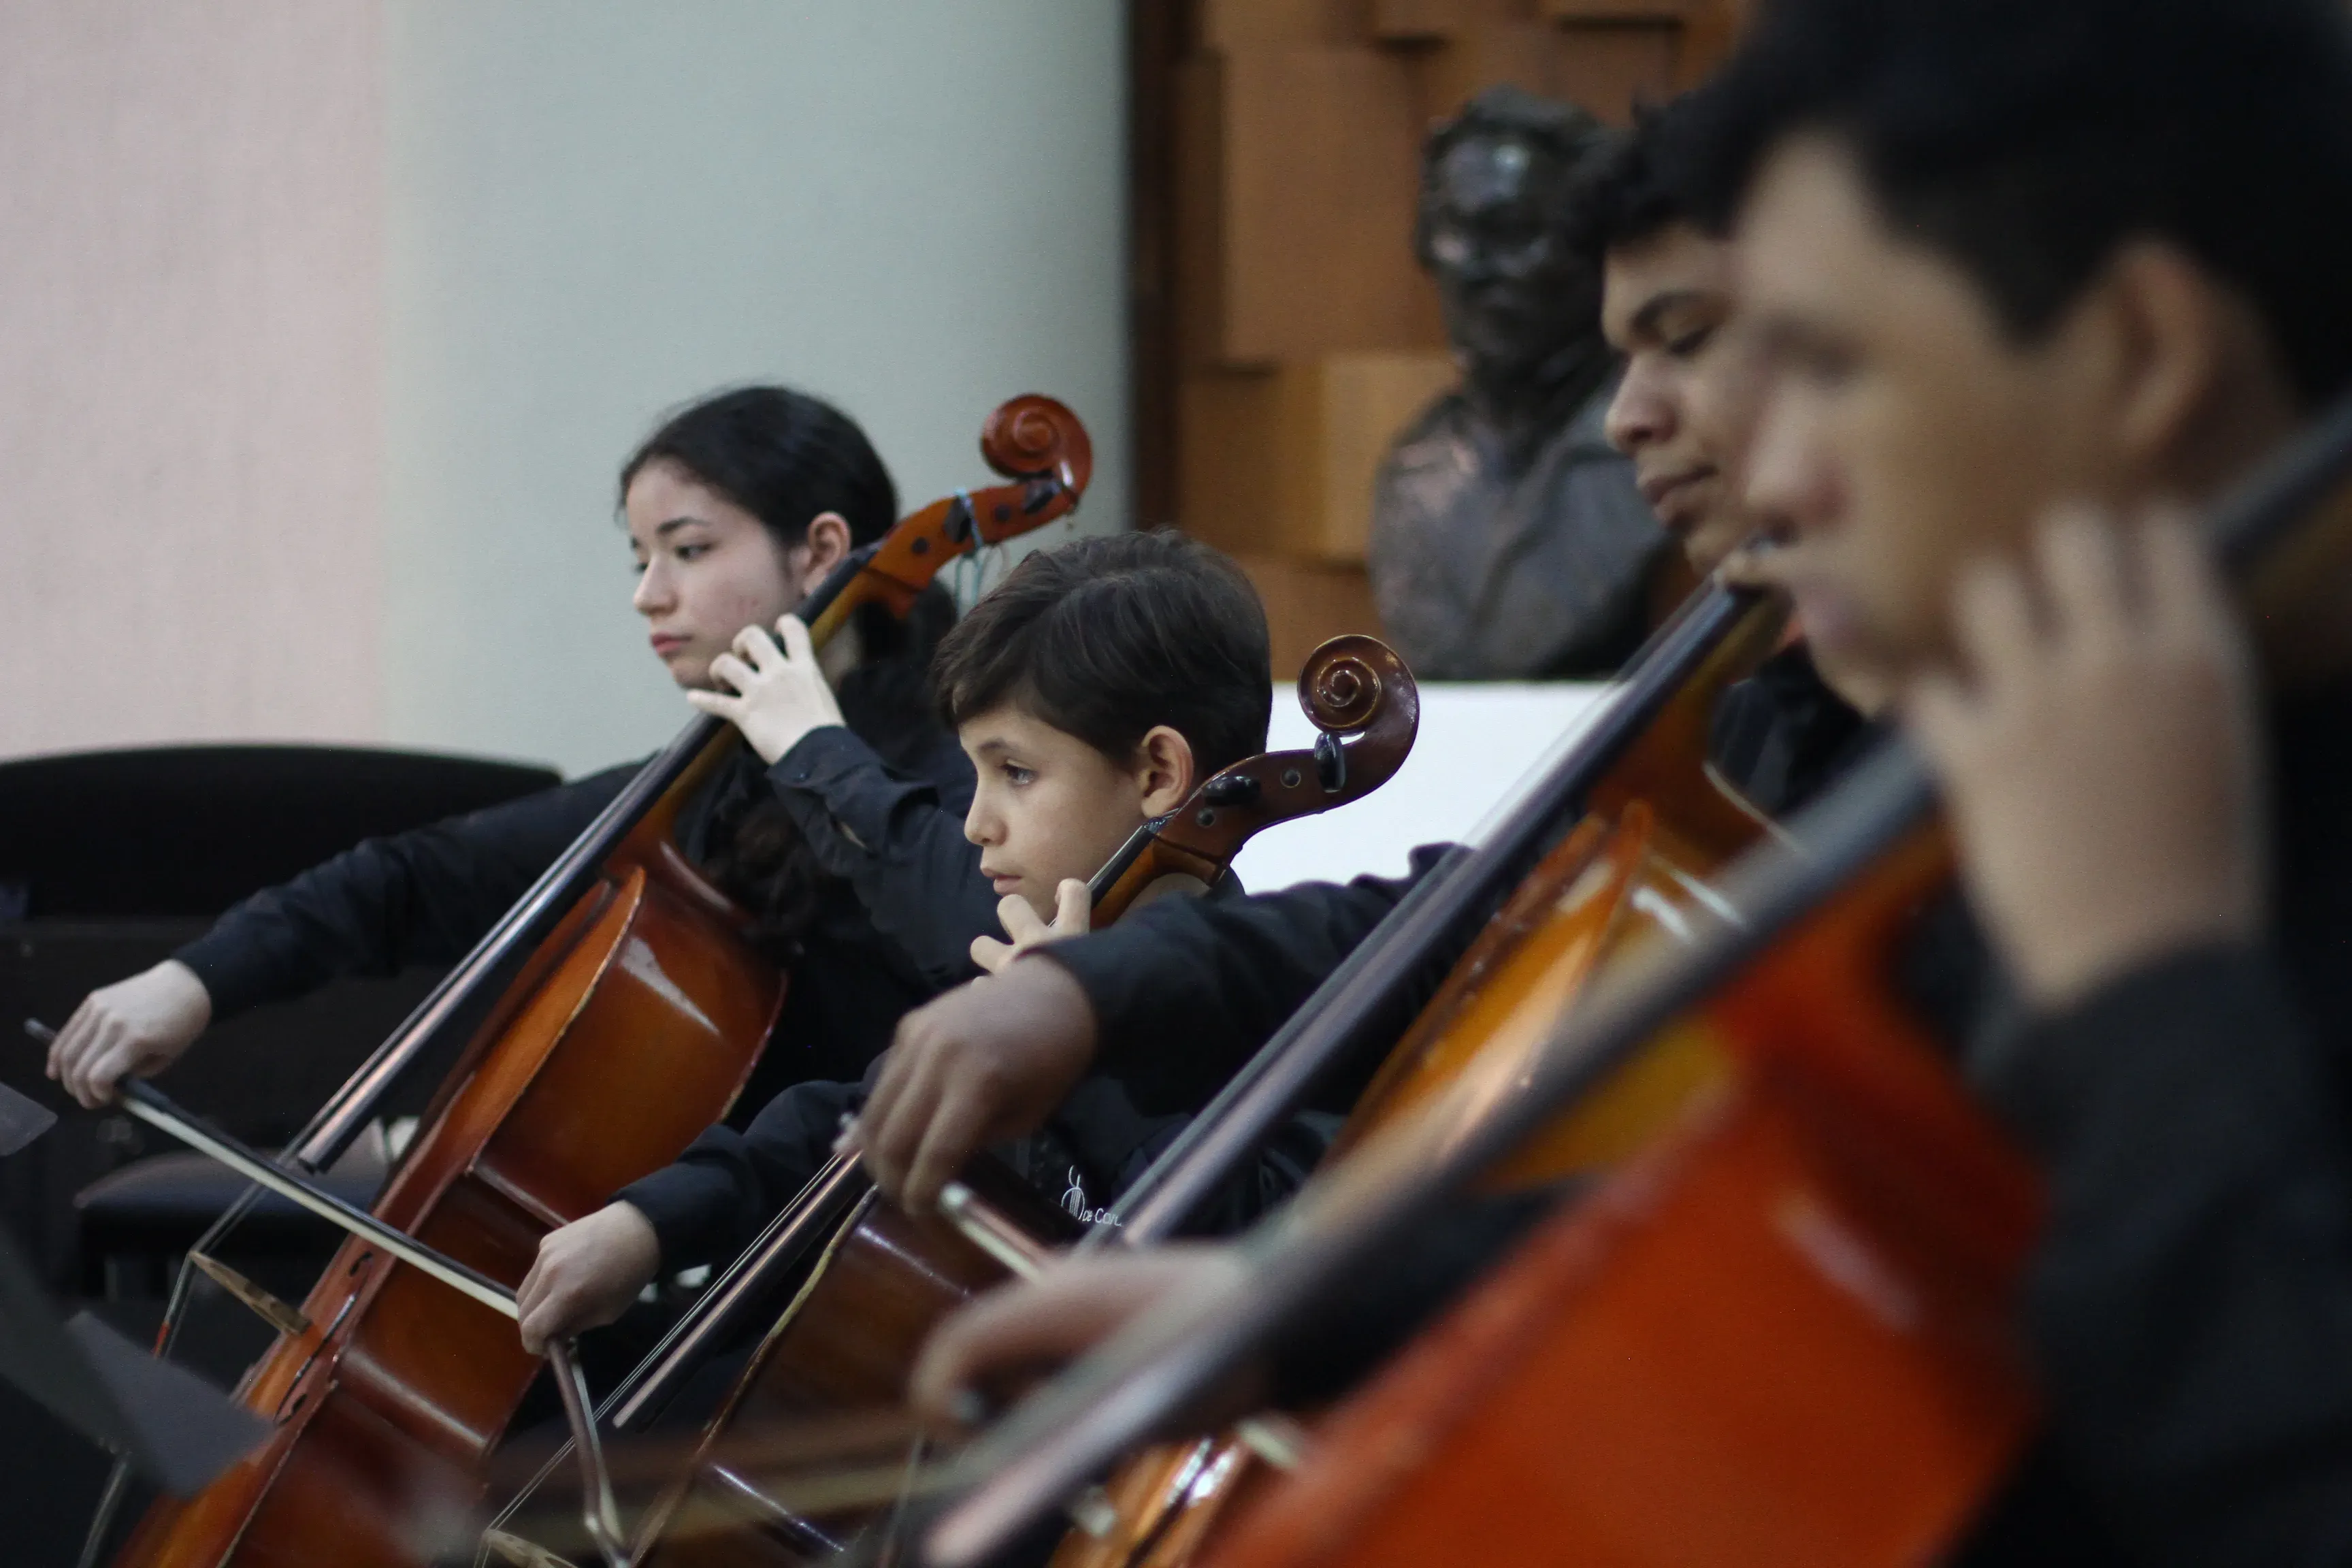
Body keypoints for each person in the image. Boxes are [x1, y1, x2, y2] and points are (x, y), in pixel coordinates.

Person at [919, 1, 2352, 1562]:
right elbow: (1812, 1218)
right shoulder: (2055, 759)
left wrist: (2142, 994)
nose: (1775, 471)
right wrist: (1286, 1311)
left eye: (1823, 365)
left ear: (2137, 354)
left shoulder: (2110, 833)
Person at [845, 94, 1865, 1218]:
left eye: (1682, 338)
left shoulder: (1983, 758)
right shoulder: (1745, 730)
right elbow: (1456, 915)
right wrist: (1092, 994)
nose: (1627, 415)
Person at [44, 385, 981, 1120]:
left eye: (688, 551)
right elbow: (414, 878)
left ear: (820, 552)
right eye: (639, 559)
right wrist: (195, 981)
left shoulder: (953, 785)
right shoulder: (708, 789)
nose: (647, 596)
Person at [514, 531, 1333, 1354]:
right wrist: (650, 1223)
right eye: (973, 774)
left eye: (1015, 773)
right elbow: (860, 1117)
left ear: (1157, 775)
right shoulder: (1034, 945)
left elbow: (1237, 1246)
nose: (976, 824)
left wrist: (1080, 1048)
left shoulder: (1276, 1019)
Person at [1369, 85, 1676, 681]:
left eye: (1514, 233)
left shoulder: (1656, 451)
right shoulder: (1413, 476)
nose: (1477, 269)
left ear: (1593, 254)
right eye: (1456, 230)